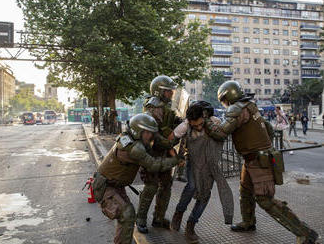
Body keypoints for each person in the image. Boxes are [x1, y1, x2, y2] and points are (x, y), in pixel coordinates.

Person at [205, 81, 318, 244]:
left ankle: (305, 233)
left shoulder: (237, 109)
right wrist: (264, 146)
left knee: (265, 199)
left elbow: (220, 133)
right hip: (254, 158)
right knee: (245, 192)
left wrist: (206, 119)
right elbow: (267, 128)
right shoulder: (250, 106)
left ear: (226, 97)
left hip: (258, 160)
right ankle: (248, 222)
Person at [95, 113, 183, 244]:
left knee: (127, 217)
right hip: (106, 186)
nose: (150, 136)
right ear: (138, 131)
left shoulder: (132, 139)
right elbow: (153, 164)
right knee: (127, 214)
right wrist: (175, 160)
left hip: (114, 185)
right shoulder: (134, 148)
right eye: (147, 133)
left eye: (151, 133)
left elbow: (156, 144)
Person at [170, 101, 234, 243]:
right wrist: (176, 157)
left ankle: (191, 225)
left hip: (210, 165)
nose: (198, 127)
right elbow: (169, 141)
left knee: (204, 195)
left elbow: (223, 134)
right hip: (193, 163)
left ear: (204, 117)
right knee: (192, 187)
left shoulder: (214, 121)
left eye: (200, 124)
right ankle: (178, 213)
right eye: (195, 125)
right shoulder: (185, 126)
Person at [136, 75, 182, 233]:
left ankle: (158, 218)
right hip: (152, 152)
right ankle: (140, 218)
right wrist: (168, 143)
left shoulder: (164, 106)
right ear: (159, 91)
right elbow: (152, 133)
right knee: (151, 187)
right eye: (168, 91)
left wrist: (181, 122)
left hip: (163, 153)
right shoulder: (153, 107)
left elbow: (169, 122)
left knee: (166, 186)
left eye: (171, 91)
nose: (171, 93)